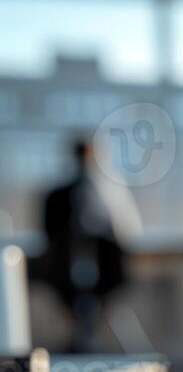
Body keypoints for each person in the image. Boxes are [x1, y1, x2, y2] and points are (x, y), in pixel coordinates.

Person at [39, 138, 136, 350]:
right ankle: (80, 340)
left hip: (103, 270)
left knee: (96, 307)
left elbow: (123, 229)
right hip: (66, 271)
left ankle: (88, 340)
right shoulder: (59, 197)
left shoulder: (109, 193)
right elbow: (49, 233)